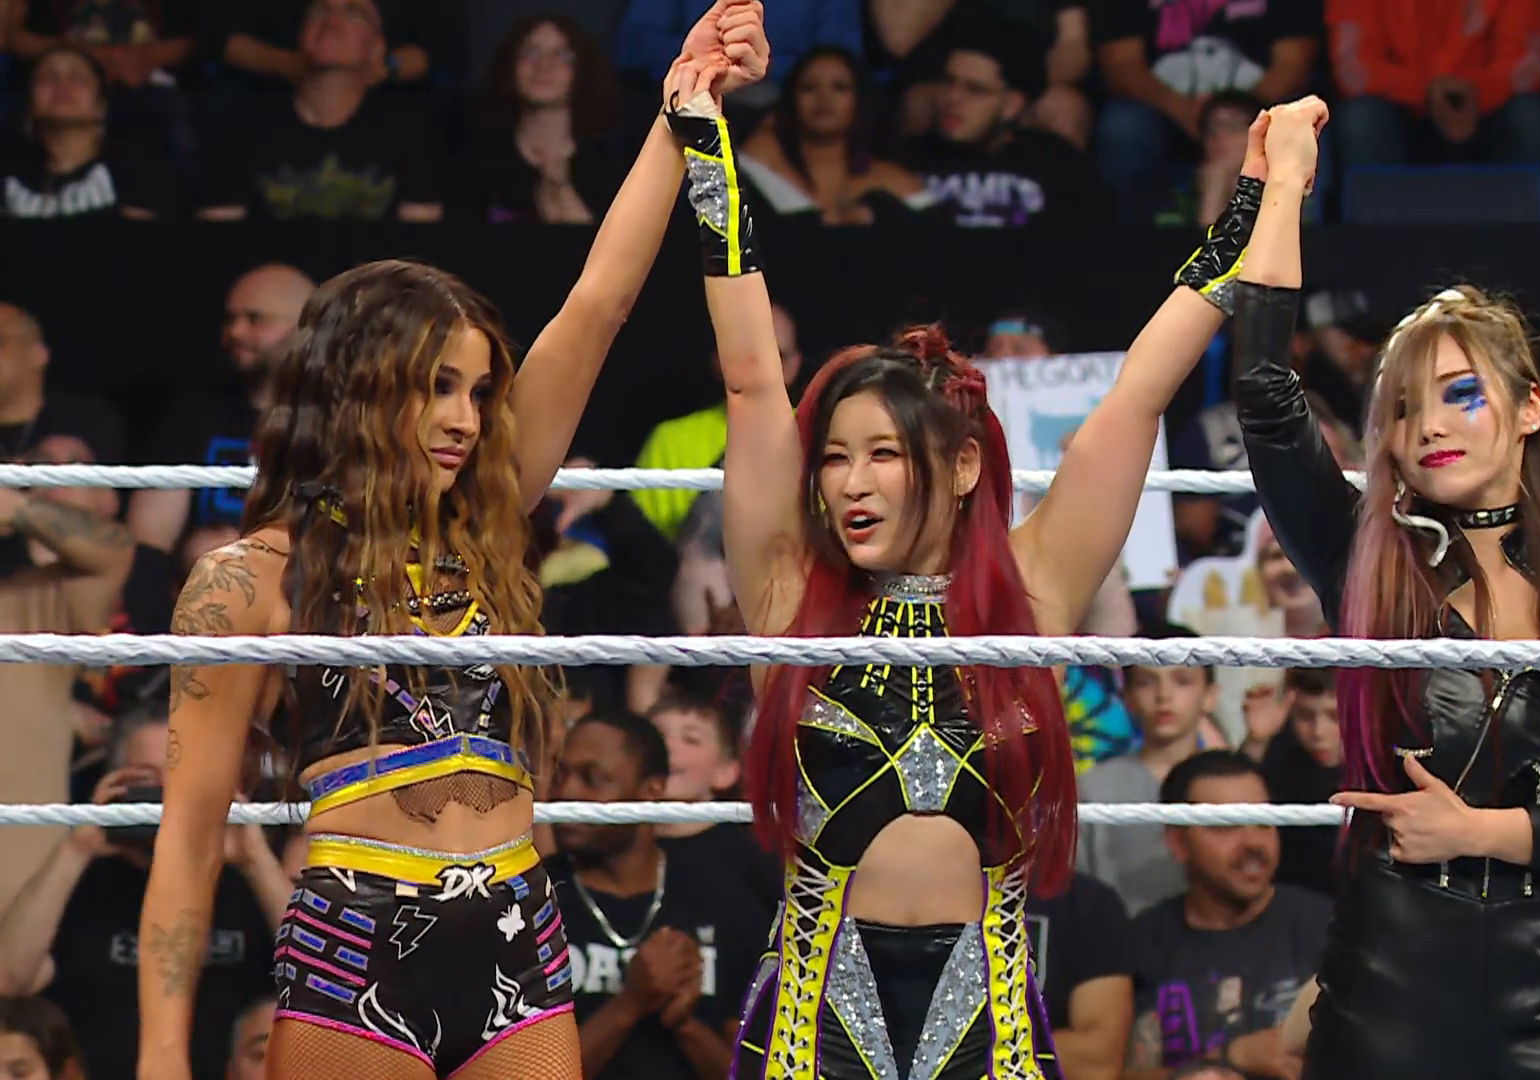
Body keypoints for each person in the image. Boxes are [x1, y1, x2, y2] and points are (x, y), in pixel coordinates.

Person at [134, 7, 772, 1080]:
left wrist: (680, 110)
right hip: (355, 948)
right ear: (359, 388)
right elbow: (190, 841)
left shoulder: (487, 521)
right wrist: (161, 1059)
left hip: (521, 940)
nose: (466, 419)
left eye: (478, 391)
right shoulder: (246, 581)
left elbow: (599, 305)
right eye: (437, 387)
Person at [661, 46, 1289, 1080]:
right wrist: (704, 145)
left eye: (881, 455)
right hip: (814, 1027)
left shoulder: (1029, 591)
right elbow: (749, 380)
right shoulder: (789, 596)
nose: (850, 483)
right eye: (834, 458)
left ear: (959, 467)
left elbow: (1138, 394)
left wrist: (1254, 202)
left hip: (990, 1026)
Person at [1230, 101, 1540, 1077]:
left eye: (1460, 393)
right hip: (1390, 1000)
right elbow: (1265, 391)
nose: (1429, 424)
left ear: (1529, 409)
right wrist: (1282, 190)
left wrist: (1480, 831)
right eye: (1404, 407)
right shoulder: (1364, 555)